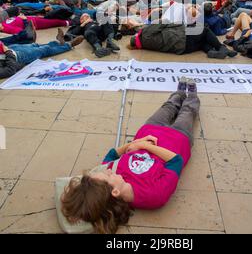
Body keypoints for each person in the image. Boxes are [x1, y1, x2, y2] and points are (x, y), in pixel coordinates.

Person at [61, 78, 200, 234]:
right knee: (187, 112)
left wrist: (134, 144)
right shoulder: (154, 196)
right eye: (107, 175)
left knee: (168, 107)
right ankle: (192, 96)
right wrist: (143, 146)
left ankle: (179, 93)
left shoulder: (108, 179)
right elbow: (175, 161)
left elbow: (112, 154)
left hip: (149, 131)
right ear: (115, 192)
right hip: (178, 139)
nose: (107, 170)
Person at [129, 24, 237, 59]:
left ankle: (210, 52)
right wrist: (182, 25)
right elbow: (164, 24)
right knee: (204, 30)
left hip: (182, 49)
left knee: (201, 42)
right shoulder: (145, 32)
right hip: (181, 36)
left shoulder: (145, 45)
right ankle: (221, 48)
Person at [0, 34, 84, 79]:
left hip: (9, 50)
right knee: (44, 50)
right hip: (17, 56)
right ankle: (69, 45)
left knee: (35, 45)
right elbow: (9, 70)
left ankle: (59, 43)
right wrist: (8, 52)